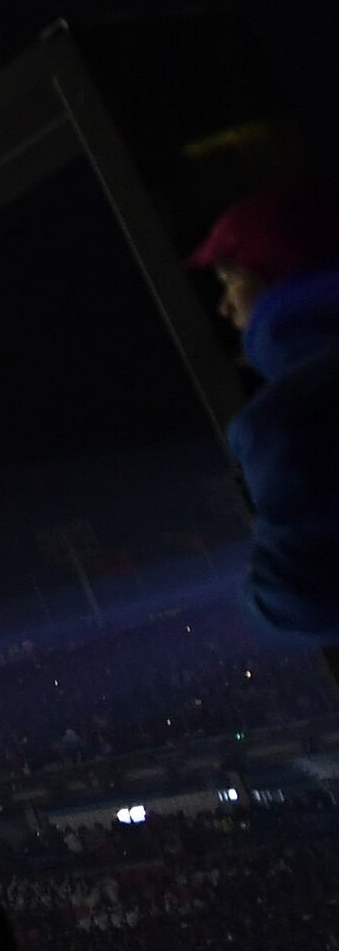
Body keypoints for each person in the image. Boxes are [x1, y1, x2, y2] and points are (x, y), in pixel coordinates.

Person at [192, 172, 339, 640]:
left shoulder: (286, 420)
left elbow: (294, 601)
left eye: (231, 281)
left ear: (277, 272)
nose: (224, 308)